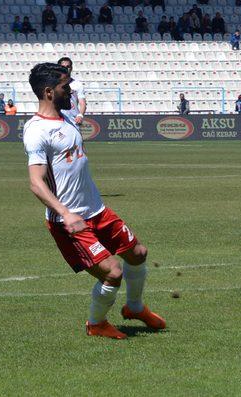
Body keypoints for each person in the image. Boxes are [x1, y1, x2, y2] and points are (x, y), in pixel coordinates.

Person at [23, 63, 166, 339]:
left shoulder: (66, 118)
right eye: (66, 86)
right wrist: (66, 214)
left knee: (138, 254)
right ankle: (96, 324)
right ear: (49, 92)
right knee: (113, 272)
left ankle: (135, 308)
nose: (71, 90)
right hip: (70, 221)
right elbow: (36, 182)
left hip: (97, 210)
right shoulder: (37, 131)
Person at [57, 57, 87, 125]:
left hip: (73, 120)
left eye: (68, 66)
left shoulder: (77, 84)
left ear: (71, 68)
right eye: (63, 67)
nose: (65, 68)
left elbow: (82, 103)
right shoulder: (53, 84)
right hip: (58, 119)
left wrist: (80, 115)